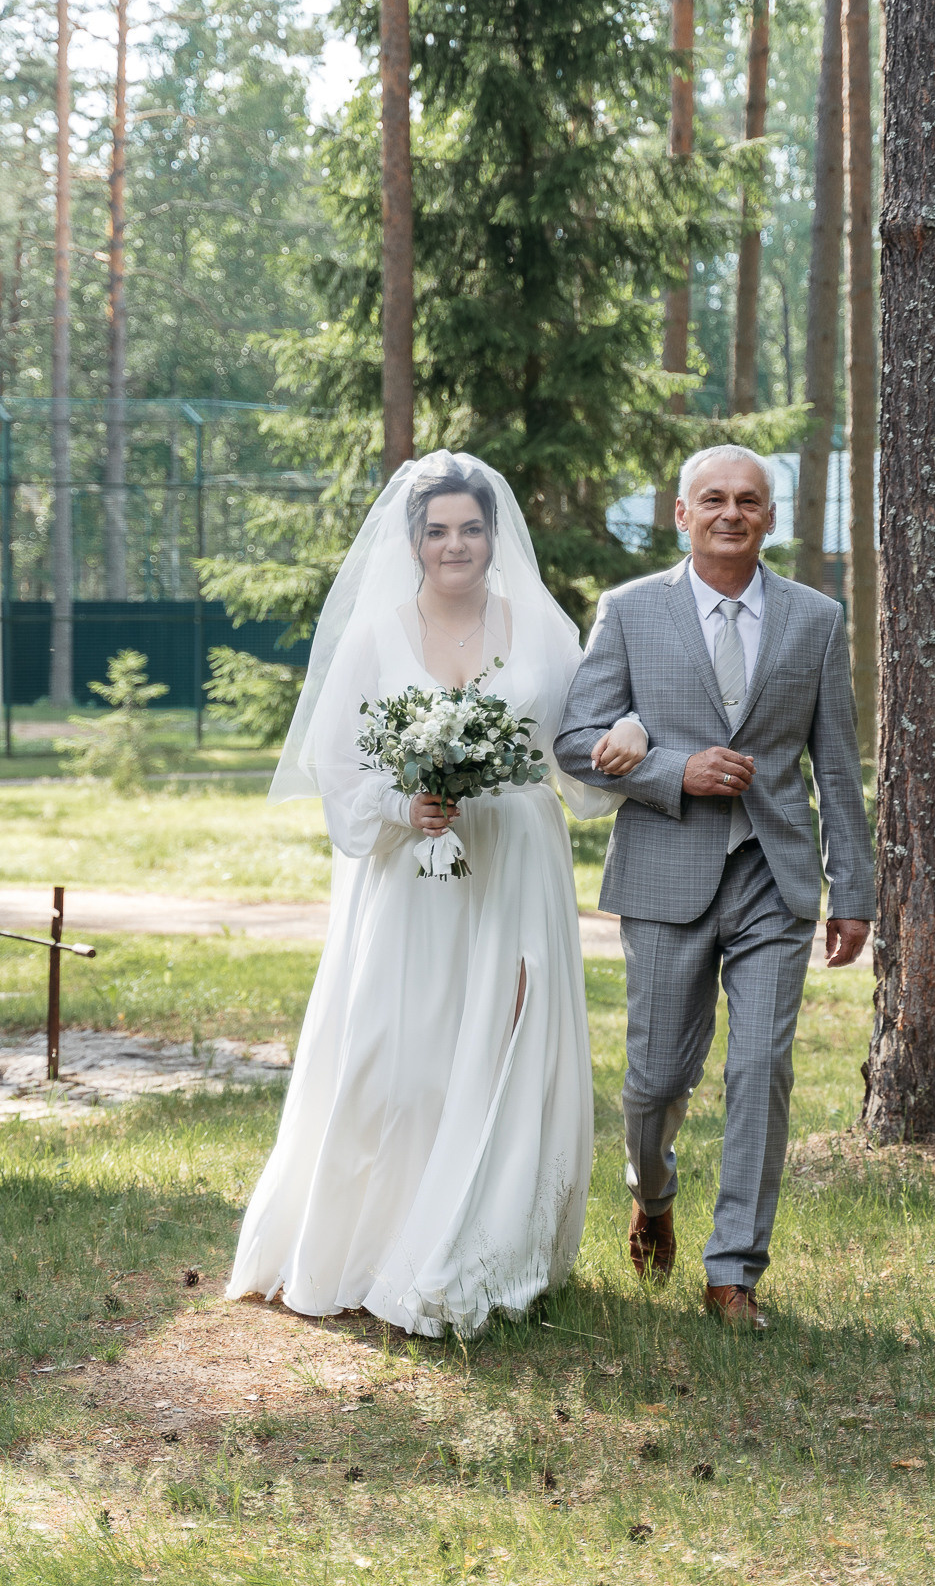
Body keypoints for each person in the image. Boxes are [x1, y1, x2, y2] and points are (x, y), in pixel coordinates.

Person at [226, 451, 648, 1338]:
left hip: (516, 858)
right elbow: (338, 762)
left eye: (471, 529)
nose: (455, 545)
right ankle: (379, 1238)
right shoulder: (376, 637)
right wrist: (400, 805)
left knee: (509, 1040)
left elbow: (580, 740)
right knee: (402, 1052)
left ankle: (488, 1249)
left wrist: (631, 733)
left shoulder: (540, 628)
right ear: (413, 541)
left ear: (495, 536)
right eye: (438, 530)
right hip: (412, 867)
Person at [555, 444, 874, 1332]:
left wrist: (853, 889)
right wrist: (674, 770)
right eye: (713, 499)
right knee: (655, 1078)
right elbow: (576, 739)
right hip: (665, 868)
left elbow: (836, 764)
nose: (731, 513)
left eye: (749, 500)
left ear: (770, 517)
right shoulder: (629, 611)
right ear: (682, 514)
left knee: (760, 1066)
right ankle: (650, 1192)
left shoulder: (816, 618)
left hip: (776, 873)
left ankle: (733, 1273)